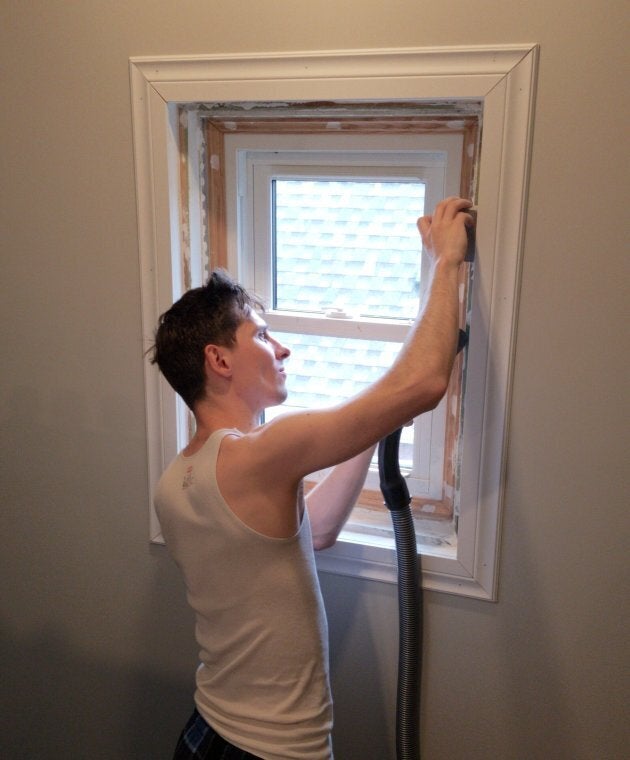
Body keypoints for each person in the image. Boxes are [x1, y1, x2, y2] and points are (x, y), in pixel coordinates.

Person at [151, 196, 474, 759]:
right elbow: (424, 383)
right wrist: (447, 261)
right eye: (262, 335)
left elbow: (316, 529)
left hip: (207, 732)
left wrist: (374, 420)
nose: (284, 348)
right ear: (219, 361)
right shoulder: (261, 453)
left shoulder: (179, 478)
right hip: (269, 750)